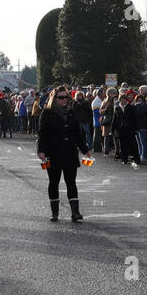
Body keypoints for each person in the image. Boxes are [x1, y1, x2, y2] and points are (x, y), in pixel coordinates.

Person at [37, 86, 91, 222]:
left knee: (71, 182)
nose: (64, 100)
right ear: (54, 98)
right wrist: (41, 150)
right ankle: (55, 212)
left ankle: (75, 212)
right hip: (53, 152)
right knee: (53, 182)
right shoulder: (47, 113)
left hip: (70, 152)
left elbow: (77, 133)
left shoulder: (71, 112)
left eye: (66, 97)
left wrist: (85, 149)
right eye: (61, 97)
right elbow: (42, 133)